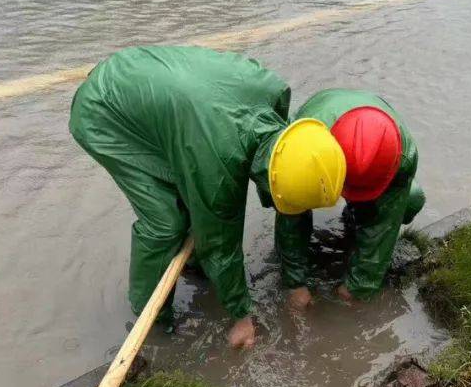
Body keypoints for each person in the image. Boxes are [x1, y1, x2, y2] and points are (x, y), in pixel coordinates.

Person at [70, 46, 346, 349]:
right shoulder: (217, 162)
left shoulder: (274, 91)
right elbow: (221, 244)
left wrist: (296, 280)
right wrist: (242, 316)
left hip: (138, 72)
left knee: (197, 203)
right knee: (166, 222)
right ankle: (153, 323)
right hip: (105, 112)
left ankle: (194, 268)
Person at [276, 89, 425, 309]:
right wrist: (295, 283)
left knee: (412, 199)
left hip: (375, 165)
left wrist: (357, 287)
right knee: (295, 204)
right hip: (319, 141)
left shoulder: (404, 155)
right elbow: (291, 216)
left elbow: (383, 226)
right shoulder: (308, 143)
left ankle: (356, 219)